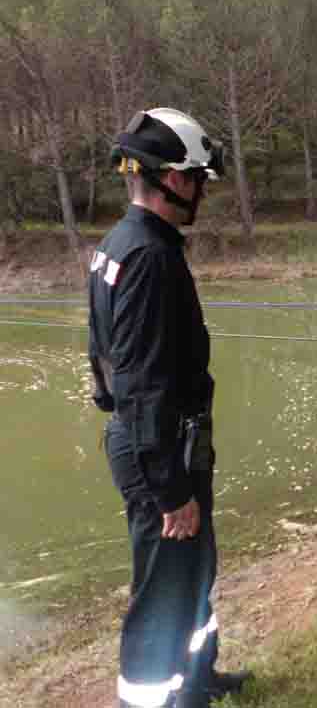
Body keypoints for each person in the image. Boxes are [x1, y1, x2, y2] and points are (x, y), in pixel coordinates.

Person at [88, 108, 249, 708]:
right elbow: (143, 385)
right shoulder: (153, 258)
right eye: (200, 179)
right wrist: (170, 489)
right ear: (173, 179)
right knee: (162, 598)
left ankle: (198, 679)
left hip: (156, 441)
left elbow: (103, 362)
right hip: (159, 451)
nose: (202, 191)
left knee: (193, 576)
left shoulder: (117, 244)